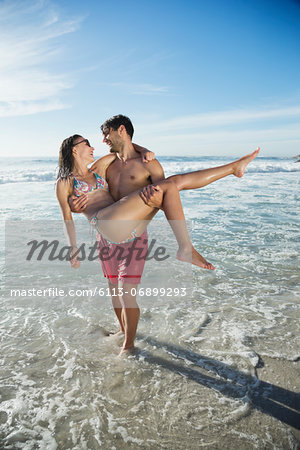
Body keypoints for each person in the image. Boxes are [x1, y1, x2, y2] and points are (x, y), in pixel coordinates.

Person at [57, 116, 260, 355]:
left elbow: (130, 148)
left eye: (104, 135)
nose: (97, 143)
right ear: (74, 149)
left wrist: (145, 151)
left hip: (128, 231)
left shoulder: (118, 164)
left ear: (121, 131)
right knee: (115, 291)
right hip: (105, 229)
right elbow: (66, 214)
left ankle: (128, 344)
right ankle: (230, 171)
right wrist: (73, 240)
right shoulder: (80, 175)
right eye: (88, 142)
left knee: (170, 187)